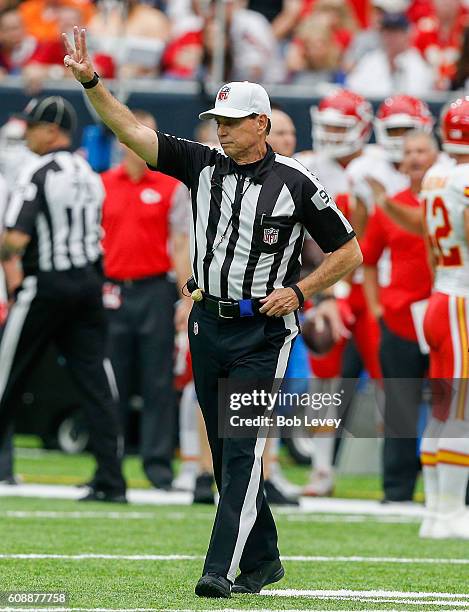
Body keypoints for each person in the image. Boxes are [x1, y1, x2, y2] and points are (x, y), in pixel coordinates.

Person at [62, 27, 362, 597]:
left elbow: (349, 251)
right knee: (225, 450)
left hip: (262, 331)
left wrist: (300, 292)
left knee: (243, 449)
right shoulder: (201, 165)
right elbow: (127, 128)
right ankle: (265, 559)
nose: (221, 130)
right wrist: (92, 83)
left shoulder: (296, 182)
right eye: (218, 120)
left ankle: (219, 569)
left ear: (262, 124)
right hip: (207, 321)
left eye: (232, 122)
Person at [0, 95, 126, 503]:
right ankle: (111, 478)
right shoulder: (89, 172)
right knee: (96, 383)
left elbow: (15, 240)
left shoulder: (36, 171)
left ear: (51, 130)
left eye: (34, 129)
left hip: (47, 285)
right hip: (89, 286)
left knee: (7, 375)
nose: (28, 137)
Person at [101, 109, 192, 490]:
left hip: (155, 289)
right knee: (111, 384)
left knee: (158, 382)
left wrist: (185, 298)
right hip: (112, 291)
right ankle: (110, 464)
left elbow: (180, 244)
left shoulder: (170, 186)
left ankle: (158, 466)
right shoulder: (103, 183)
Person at [362, 130, 437, 502]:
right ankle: (397, 489)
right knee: (399, 407)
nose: (415, 157)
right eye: (409, 151)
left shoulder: (451, 201)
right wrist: (377, 307)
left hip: (445, 317)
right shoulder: (388, 206)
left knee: (454, 405)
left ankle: (455, 490)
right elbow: (369, 261)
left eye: (422, 150)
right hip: (400, 318)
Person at [419, 97, 469, 539]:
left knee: (441, 409)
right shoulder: (463, 178)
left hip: (441, 293)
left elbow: (433, 246)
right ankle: (451, 512)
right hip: (461, 301)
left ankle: (437, 510)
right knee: (460, 409)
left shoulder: (437, 173)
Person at [346, 12, 433, 97]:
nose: (390, 37)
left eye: (395, 32)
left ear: (407, 34)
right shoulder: (371, 59)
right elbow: (353, 90)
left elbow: (419, 94)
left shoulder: (417, 62)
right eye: (386, 31)